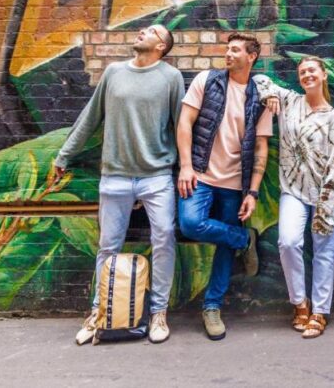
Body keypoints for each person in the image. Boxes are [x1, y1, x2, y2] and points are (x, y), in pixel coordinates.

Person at [50, 24, 184, 346]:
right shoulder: (113, 73)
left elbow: (182, 126)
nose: (142, 31)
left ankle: (158, 313)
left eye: (151, 31)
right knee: (108, 246)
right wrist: (64, 155)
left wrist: (189, 168)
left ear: (162, 46)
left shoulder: (171, 78)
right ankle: (98, 313)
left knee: (164, 237)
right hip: (115, 176)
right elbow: (89, 118)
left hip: (157, 176)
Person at [176, 33, 273, 341]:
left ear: (252, 56)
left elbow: (261, 146)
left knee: (224, 247)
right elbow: (184, 123)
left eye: (235, 50)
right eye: (227, 49)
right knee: (190, 224)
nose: (228, 54)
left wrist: (253, 191)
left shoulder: (262, 95)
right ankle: (244, 238)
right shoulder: (208, 80)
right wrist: (186, 166)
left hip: (235, 183)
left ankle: (212, 306)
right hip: (201, 176)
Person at [255, 58, 334, 339]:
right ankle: (299, 303)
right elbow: (259, 79)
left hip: (325, 193)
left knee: (324, 253)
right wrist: (269, 93)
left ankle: (319, 312)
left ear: (323, 75)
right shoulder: (290, 100)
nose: (307, 75)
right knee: (289, 242)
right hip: (292, 189)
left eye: (312, 71)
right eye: (302, 71)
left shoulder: (333, 116)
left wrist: (325, 204)